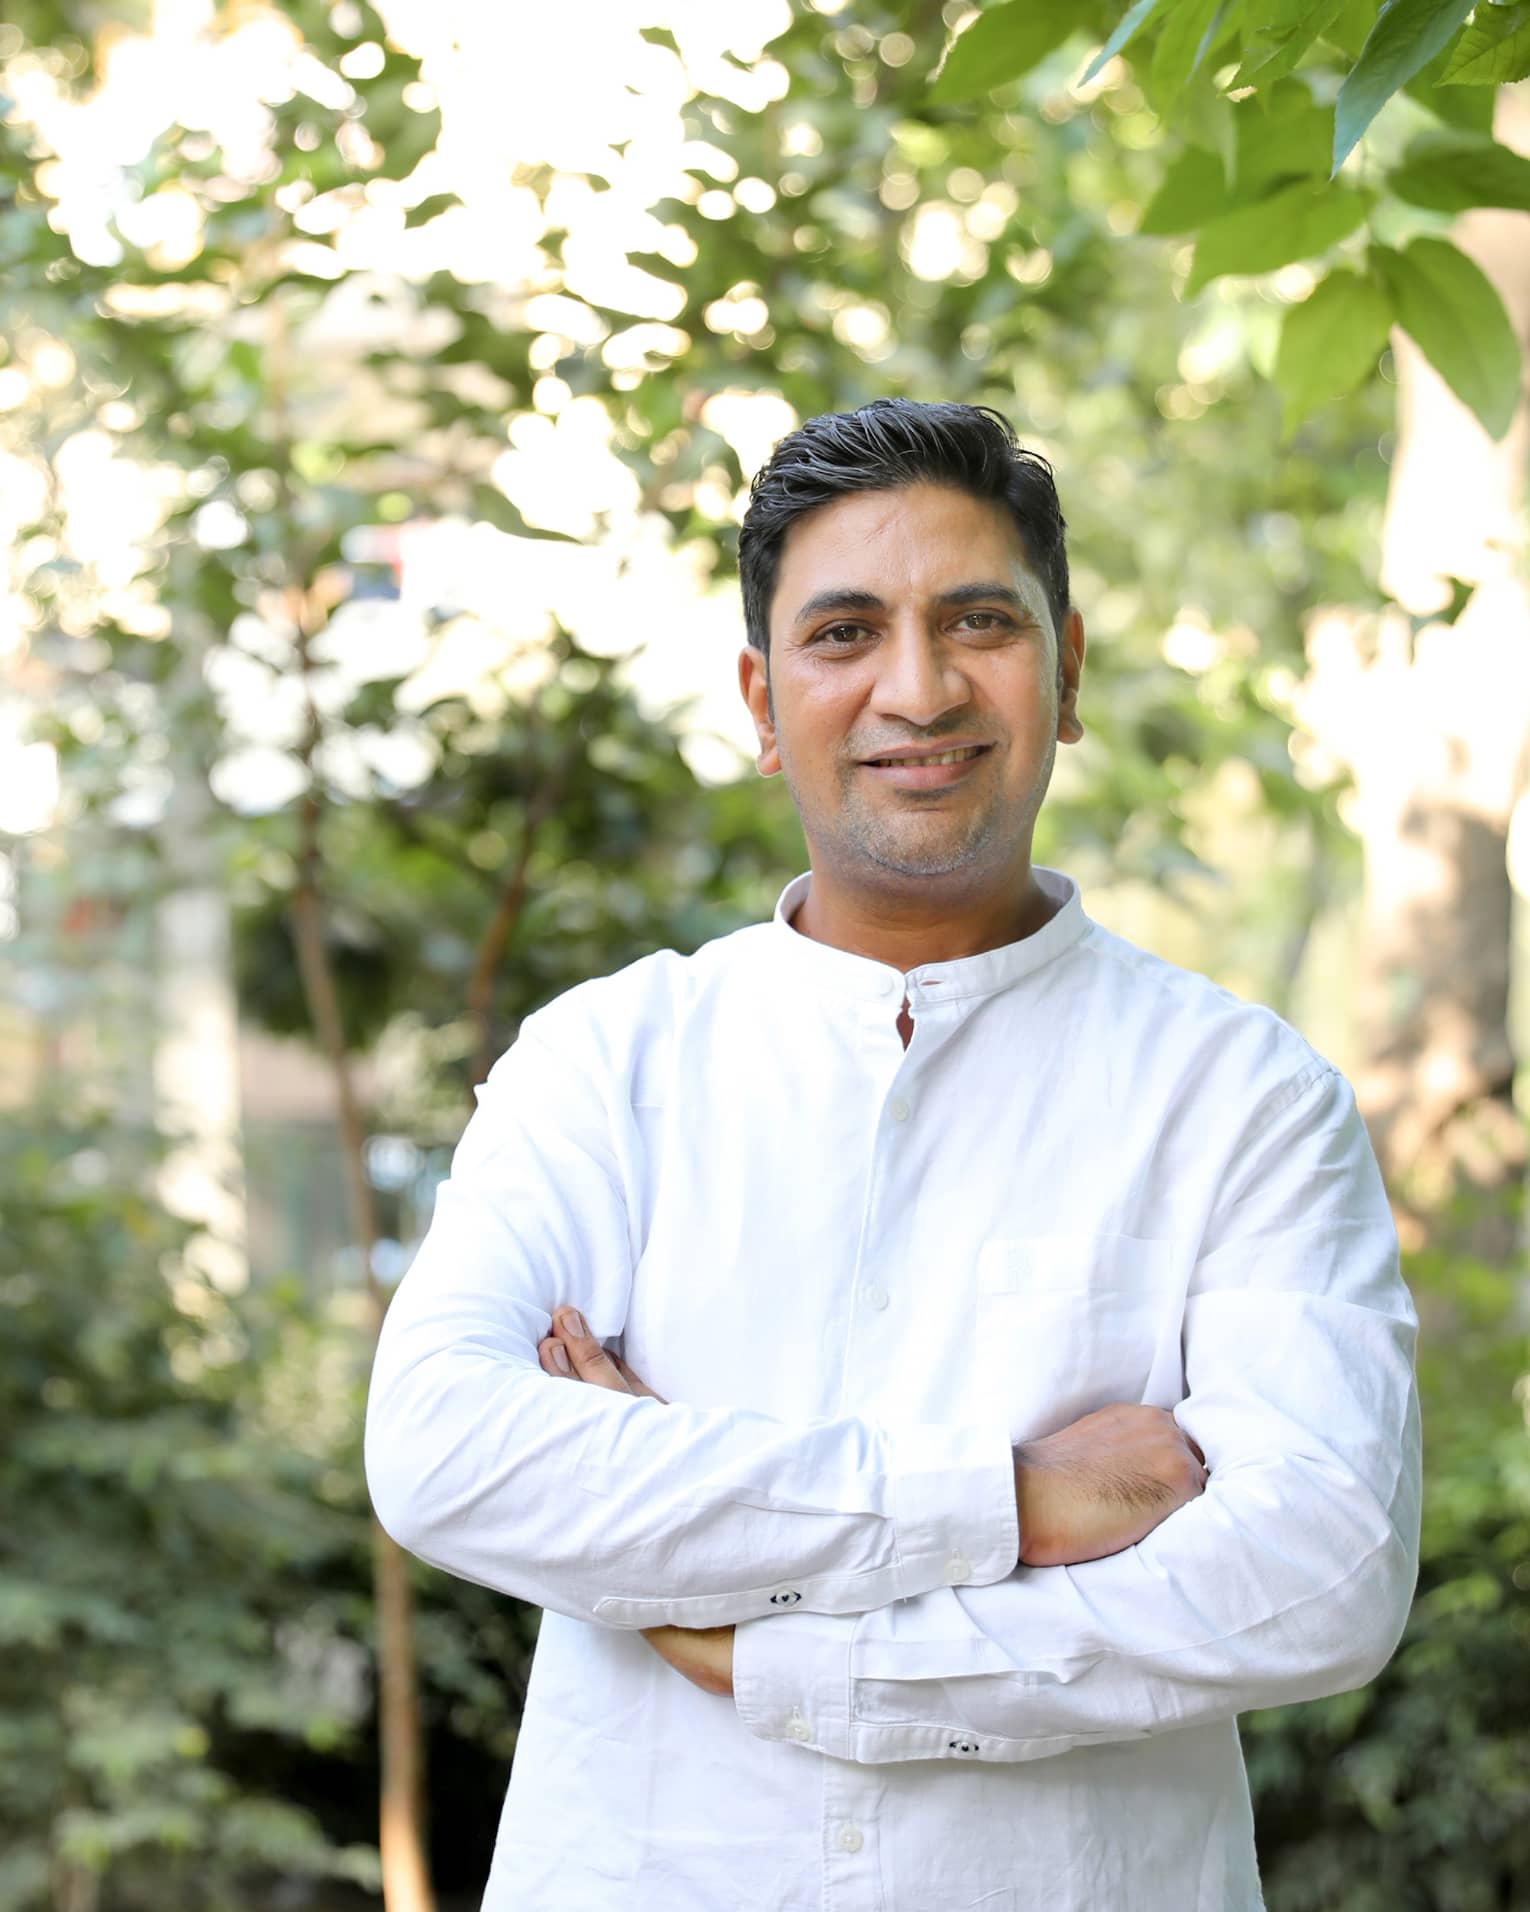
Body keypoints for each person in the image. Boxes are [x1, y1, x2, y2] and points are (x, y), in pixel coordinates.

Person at [364, 398, 1421, 1911]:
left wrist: (774, 1653)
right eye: (844, 631)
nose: (914, 689)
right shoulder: (609, 1062)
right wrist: (1007, 1505)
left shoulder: (1242, 1096)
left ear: (1067, 673)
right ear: (759, 691)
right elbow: (446, 1451)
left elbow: (1316, 1574)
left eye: (977, 621)